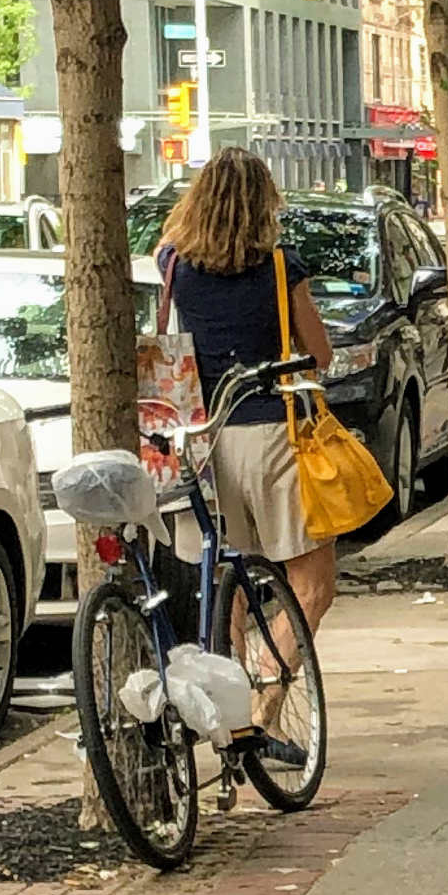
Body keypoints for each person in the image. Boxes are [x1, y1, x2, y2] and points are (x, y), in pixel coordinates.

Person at [154, 149, 339, 692]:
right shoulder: (281, 267)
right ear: (265, 203)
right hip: (274, 433)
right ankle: (268, 689)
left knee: (222, 581)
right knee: (313, 585)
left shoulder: (173, 265)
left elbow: (168, 243)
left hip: (202, 441)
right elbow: (319, 354)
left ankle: (230, 703)